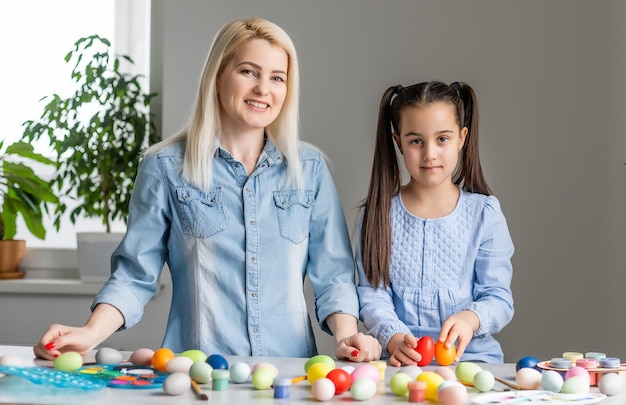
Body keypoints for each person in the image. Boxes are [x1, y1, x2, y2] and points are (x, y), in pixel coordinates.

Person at [34, 17, 381, 362]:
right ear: (217, 77)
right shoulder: (165, 167)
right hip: (197, 375)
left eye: (277, 78)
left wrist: (348, 336)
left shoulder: (310, 170)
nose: (263, 88)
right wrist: (90, 333)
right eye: (248, 72)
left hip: (289, 375)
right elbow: (135, 276)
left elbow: (333, 275)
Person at [355, 81, 514, 366]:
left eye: (443, 139)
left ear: (462, 138)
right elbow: (372, 294)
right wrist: (393, 336)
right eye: (416, 141)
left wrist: (471, 318)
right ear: (398, 141)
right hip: (399, 364)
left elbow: (498, 297)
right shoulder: (376, 215)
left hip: (472, 363)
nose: (430, 153)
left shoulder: (484, 214)